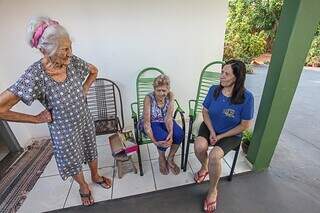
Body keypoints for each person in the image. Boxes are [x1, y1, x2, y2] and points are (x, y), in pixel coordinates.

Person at [0, 16, 112, 206]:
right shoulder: (35, 75)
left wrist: (83, 90)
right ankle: (83, 186)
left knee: (91, 148)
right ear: (45, 50)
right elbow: (2, 108)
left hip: (84, 118)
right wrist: (35, 119)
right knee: (72, 159)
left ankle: (95, 175)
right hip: (63, 129)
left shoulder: (71, 61)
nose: (70, 54)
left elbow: (94, 71)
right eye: (64, 50)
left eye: (70, 47)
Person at [193, 60, 254, 212]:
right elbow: (205, 111)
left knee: (215, 156)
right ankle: (204, 167)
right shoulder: (214, 90)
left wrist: (220, 137)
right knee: (199, 146)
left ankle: (213, 190)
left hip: (231, 133)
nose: (222, 76)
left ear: (237, 78)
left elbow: (244, 125)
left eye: (227, 74)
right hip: (211, 126)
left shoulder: (247, 98)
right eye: (222, 72)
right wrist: (212, 132)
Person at [139, 74, 184, 175]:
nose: (161, 93)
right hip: (151, 122)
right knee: (162, 138)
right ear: (154, 89)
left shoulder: (170, 96)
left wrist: (171, 133)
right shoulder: (148, 98)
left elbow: (169, 118)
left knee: (179, 133)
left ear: (168, 89)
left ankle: (170, 158)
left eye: (164, 90)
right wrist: (155, 142)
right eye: (158, 90)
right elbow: (146, 124)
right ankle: (162, 158)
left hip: (165, 120)